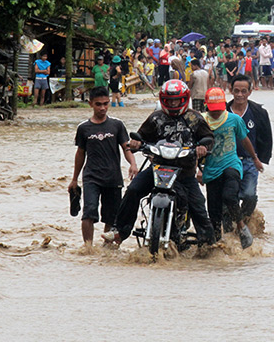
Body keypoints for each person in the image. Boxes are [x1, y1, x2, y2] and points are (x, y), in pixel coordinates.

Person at [102, 80, 216, 246]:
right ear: (163, 100)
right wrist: (135, 143)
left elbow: (209, 138)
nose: (173, 103)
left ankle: (209, 244)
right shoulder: (156, 118)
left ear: (184, 99)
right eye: (169, 100)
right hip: (158, 168)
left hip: (184, 173)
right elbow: (140, 137)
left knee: (198, 206)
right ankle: (119, 231)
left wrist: (203, 147)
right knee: (133, 190)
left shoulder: (194, 118)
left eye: (176, 100)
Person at [69, 87, 138, 245]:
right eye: (98, 104)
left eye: (106, 104)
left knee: (112, 217)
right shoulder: (84, 128)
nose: (102, 108)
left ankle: (107, 250)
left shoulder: (117, 125)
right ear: (90, 104)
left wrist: (133, 164)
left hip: (113, 177)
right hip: (91, 177)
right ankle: (88, 249)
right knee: (88, 213)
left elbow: (126, 147)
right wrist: (74, 179)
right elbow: (80, 154)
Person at [199, 87, 264, 249]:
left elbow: (245, 140)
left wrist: (255, 159)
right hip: (211, 168)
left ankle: (241, 226)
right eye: (213, 110)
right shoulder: (200, 121)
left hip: (231, 164)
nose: (216, 114)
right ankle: (216, 246)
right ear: (206, 106)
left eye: (219, 110)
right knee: (213, 211)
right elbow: (193, 145)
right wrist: (197, 169)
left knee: (229, 195)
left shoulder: (234, 120)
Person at [227, 74, 273, 226]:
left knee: (249, 195)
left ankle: (245, 221)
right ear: (230, 90)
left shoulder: (258, 112)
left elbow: (266, 137)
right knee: (228, 197)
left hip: (250, 161)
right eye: (236, 91)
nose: (240, 94)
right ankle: (230, 224)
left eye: (243, 91)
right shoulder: (223, 111)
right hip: (227, 162)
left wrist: (260, 159)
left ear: (250, 92)